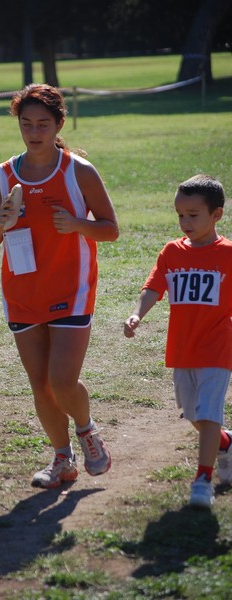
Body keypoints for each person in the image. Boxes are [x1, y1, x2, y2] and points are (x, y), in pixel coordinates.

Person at [0, 83, 119, 489]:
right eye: (26, 123)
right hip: (22, 292)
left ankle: (87, 430)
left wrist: (78, 224)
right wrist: (2, 222)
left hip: (70, 288)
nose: (34, 131)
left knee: (62, 380)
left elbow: (111, 229)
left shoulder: (79, 171)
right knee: (39, 384)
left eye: (43, 123)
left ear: (59, 122)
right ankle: (62, 459)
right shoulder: (4, 175)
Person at [124, 174, 232, 509]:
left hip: (218, 348)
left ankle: (202, 479)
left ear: (216, 214)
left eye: (193, 215)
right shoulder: (172, 252)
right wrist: (138, 314)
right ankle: (226, 444)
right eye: (180, 215)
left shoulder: (228, 253)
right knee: (194, 416)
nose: (184, 222)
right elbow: (154, 287)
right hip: (182, 349)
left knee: (208, 412)